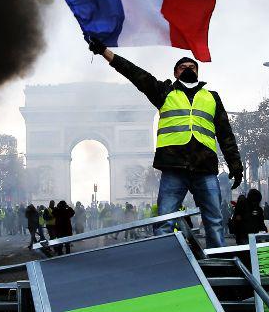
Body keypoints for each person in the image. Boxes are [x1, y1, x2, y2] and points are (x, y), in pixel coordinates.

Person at [89, 40, 243, 249]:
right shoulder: (164, 92)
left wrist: (235, 164)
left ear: (198, 72)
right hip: (174, 167)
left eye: (192, 67)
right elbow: (135, 73)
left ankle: (220, 260)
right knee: (164, 222)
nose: (188, 69)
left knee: (214, 221)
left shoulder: (212, 97)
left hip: (204, 167)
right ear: (176, 73)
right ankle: (165, 258)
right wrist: (105, 52)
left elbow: (226, 134)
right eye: (183, 67)